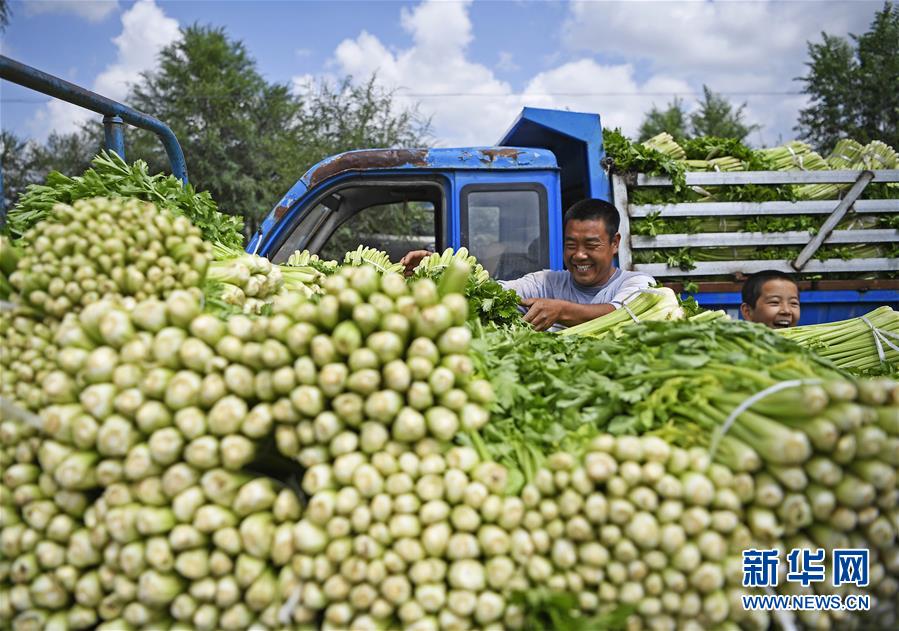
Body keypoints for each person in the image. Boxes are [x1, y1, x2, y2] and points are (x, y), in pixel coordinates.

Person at [400, 198, 656, 331]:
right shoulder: (545, 283)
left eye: (591, 246)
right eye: (570, 244)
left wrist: (562, 311)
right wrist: (438, 269)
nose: (579, 255)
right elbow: (493, 291)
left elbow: (623, 314)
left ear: (614, 243)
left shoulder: (637, 283)